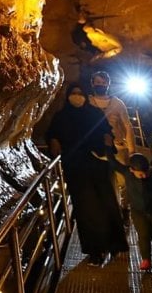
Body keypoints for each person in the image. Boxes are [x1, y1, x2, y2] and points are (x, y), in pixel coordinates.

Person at [46, 83, 128, 265]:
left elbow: (106, 130)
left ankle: (115, 244)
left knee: (106, 202)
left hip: (97, 162)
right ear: (67, 96)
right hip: (76, 168)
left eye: (80, 93)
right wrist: (53, 141)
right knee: (86, 210)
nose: (77, 96)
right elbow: (52, 134)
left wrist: (108, 141)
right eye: (73, 93)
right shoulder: (61, 117)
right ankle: (95, 250)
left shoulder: (94, 113)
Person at [89, 70, 135, 215]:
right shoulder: (88, 102)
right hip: (96, 148)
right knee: (101, 180)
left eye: (103, 83)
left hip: (118, 146)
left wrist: (132, 149)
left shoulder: (117, 103)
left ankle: (124, 207)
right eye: (97, 82)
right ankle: (106, 209)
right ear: (92, 84)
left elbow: (127, 125)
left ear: (108, 84)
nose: (100, 85)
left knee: (124, 180)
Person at [121, 153, 152, 272]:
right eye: (140, 174)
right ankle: (146, 259)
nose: (144, 176)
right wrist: (108, 146)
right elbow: (114, 164)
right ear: (132, 170)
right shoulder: (129, 176)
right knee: (143, 235)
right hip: (138, 212)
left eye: (146, 172)